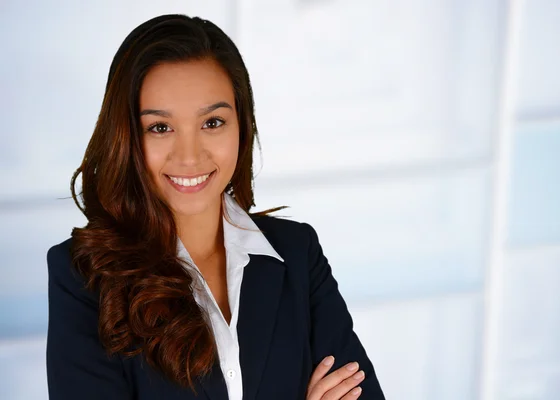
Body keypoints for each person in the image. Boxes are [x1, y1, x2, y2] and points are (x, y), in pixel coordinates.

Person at [46, 14, 385, 400]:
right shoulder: (84, 277)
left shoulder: (297, 252)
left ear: (243, 124)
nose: (189, 156)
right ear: (127, 137)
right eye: (160, 127)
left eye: (212, 122)